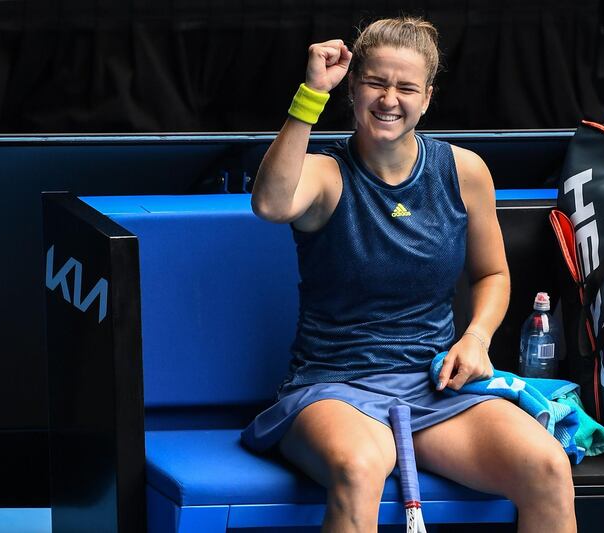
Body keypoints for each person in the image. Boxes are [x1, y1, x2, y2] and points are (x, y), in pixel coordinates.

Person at [242, 16, 576, 532]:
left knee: (548, 467)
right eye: (375, 82)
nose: (388, 99)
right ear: (352, 88)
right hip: (334, 386)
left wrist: (477, 338)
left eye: (405, 87)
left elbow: (492, 275)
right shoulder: (327, 174)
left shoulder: (464, 170)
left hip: (434, 384)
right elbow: (269, 202)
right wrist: (310, 94)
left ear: (427, 97)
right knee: (360, 467)